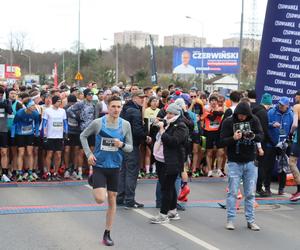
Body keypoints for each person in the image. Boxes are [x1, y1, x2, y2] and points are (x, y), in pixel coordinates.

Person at [80, 96, 133, 246]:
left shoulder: (125, 125)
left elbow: (130, 147)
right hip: (100, 165)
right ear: (107, 108)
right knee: (100, 199)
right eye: (113, 107)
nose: (116, 109)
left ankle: (107, 233)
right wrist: (89, 154)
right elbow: (83, 136)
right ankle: (93, 179)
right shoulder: (98, 123)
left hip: (115, 166)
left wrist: (122, 144)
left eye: (118, 107)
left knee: (112, 198)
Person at [220, 102, 263, 231]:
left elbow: (261, 135)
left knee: (250, 193)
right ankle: (230, 220)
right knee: (232, 192)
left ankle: (251, 221)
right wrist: (233, 138)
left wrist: (254, 136)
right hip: (234, 161)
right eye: (240, 115)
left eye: (244, 116)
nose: (242, 118)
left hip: (250, 161)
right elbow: (221, 141)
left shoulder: (254, 120)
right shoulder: (228, 121)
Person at [150, 103, 189, 224]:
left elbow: (173, 142)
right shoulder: (167, 123)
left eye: (171, 113)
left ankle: (163, 215)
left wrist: (162, 130)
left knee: (166, 188)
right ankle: (172, 211)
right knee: (168, 186)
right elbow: (152, 135)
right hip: (162, 160)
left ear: (177, 114)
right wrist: (156, 125)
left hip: (172, 161)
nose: (168, 115)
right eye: (168, 113)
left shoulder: (181, 126)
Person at [117, 90, 148, 208]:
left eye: (144, 98)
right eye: (140, 97)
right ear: (134, 98)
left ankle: (120, 197)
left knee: (123, 171)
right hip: (131, 145)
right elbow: (137, 131)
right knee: (131, 172)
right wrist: (146, 136)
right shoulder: (135, 111)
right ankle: (129, 199)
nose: (143, 99)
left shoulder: (125, 109)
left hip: (123, 143)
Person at [265, 96, 293, 195]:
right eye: (280, 104)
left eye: (283, 105)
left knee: (283, 167)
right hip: (271, 143)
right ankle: (267, 188)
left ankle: (281, 188)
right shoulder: (271, 112)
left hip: (284, 144)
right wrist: (272, 124)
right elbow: (264, 125)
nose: (280, 106)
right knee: (269, 166)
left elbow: (292, 128)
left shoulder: (290, 114)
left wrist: (288, 140)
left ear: (287, 106)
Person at [67, 88, 96, 180]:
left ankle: (91, 171)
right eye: (89, 94)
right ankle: (79, 172)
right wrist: (77, 117)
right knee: (82, 152)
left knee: (91, 151)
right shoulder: (81, 103)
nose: (91, 96)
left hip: (92, 130)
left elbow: (95, 117)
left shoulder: (93, 104)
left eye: (92, 94)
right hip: (83, 131)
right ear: (85, 95)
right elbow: (69, 110)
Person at [11, 99, 40, 182]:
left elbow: (37, 123)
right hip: (20, 135)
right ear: (27, 106)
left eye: (34, 105)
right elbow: (14, 124)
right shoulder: (20, 113)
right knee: (21, 153)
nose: (34, 107)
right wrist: (13, 136)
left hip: (30, 135)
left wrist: (37, 134)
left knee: (30, 153)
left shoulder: (35, 113)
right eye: (32, 105)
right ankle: (19, 173)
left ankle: (30, 173)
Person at [252, 93, 274, 197]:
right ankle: (259, 188)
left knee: (253, 165)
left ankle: (253, 187)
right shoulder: (264, 113)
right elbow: (264, 130)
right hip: (261, 142)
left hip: (252, 141)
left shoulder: (255, 110)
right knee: (261, 166)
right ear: (269, 104)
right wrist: (273, 143)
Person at [42, 96, 68, 181]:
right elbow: (44, 123)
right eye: (58, 101)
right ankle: (48, 172)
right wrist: (44, 134)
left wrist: (66, 133)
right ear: (53, 102)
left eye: (60, 101)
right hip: (50, 136)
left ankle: (56, 173)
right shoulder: (47, 111)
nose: (59, 103)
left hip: (59, 136)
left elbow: (65, 123)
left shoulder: (63, 111)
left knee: (58, 155)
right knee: (49, 154)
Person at [202, 95, 225, 177]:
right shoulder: (205, 108)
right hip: (209, 132)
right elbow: (211, 118)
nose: (214, 102)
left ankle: (219, 170)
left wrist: (215, 112)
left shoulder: (220, 107)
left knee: (221, 151)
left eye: (215, 100)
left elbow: (221, 113)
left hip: (218, 132)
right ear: (209, 101)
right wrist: (216, 113)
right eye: (212, 100)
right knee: (209, 152)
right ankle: (210, 170)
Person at [288, 90, 300, 201]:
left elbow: (295, 123)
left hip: (299, 138)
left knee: (291, 162)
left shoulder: (297, 106)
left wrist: (290, 133)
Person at [0, 87, 13, 182]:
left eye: (1, 94)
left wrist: (5, 103)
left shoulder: (7, 102)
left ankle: (4, 173)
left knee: (4, 152)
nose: (0, 96)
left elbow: (10, 111)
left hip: (3, 130)